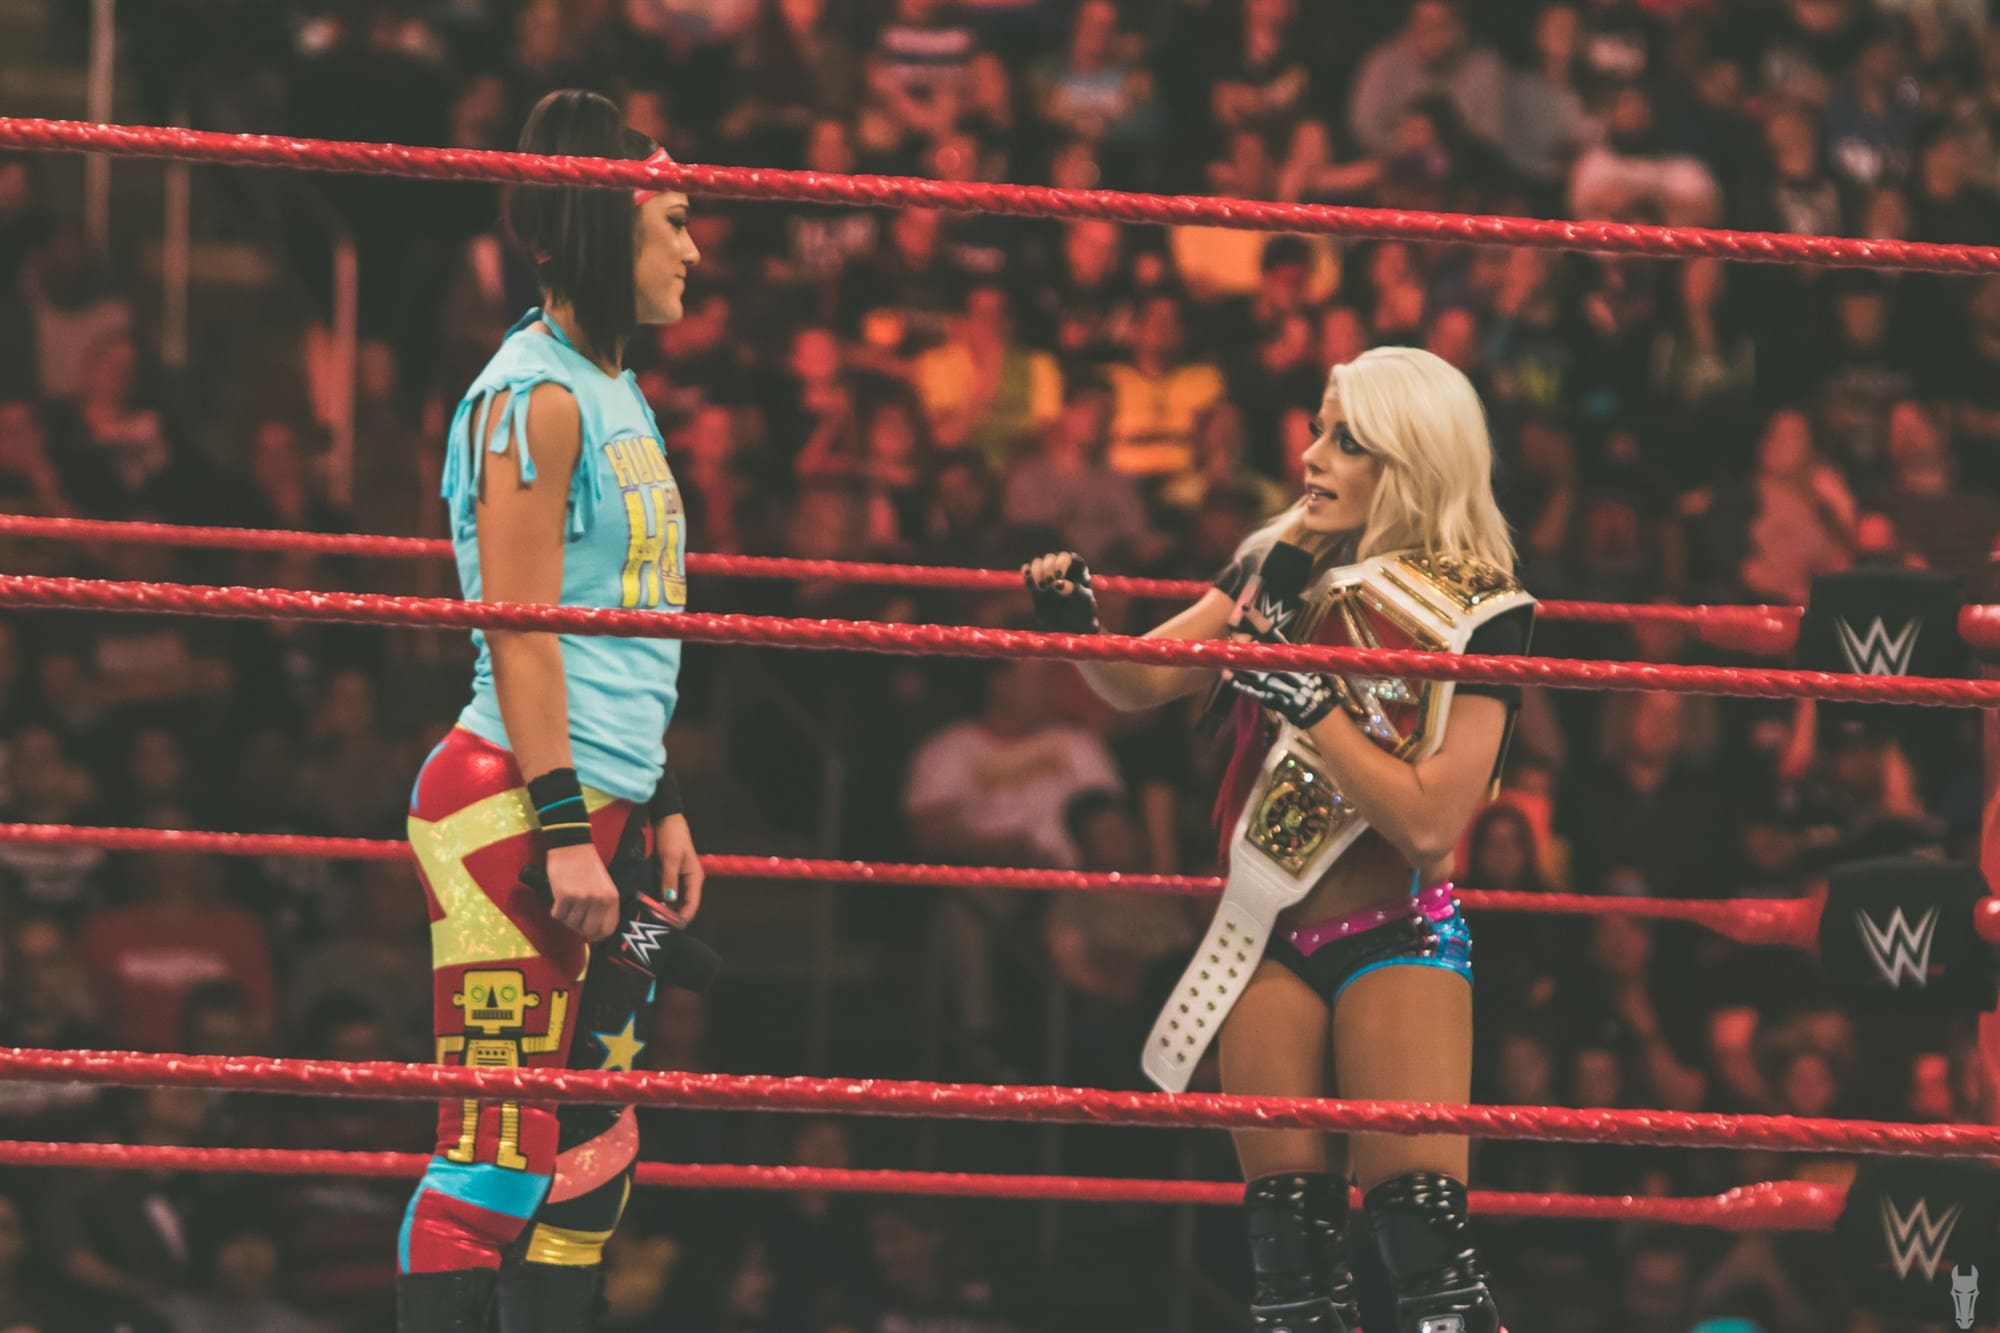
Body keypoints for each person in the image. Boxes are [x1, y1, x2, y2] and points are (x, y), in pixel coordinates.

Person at [1024, 347, 1534, 1333]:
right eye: (1316, 430)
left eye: (1346, 440)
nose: (1311, 455)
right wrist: (1074, 627)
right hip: (1264, 941)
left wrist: (1318, 709)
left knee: (1424, 1252)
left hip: (1395, 934)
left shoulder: (1482, 610)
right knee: (1289, 1273)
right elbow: (1139, 680)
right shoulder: (1276, 567)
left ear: (1410, 458)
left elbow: (1431, 822)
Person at [396, 89, 707, 1332]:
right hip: (517, 812)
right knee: (490, 1162)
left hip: (597, 802)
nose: (692, 249)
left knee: (592, 1149)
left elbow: (622, 618)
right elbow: (518, 629)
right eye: (673, 222)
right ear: (604, 228)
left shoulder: (612, 387)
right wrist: (569, 830)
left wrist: (663, 797)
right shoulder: (533, 397)